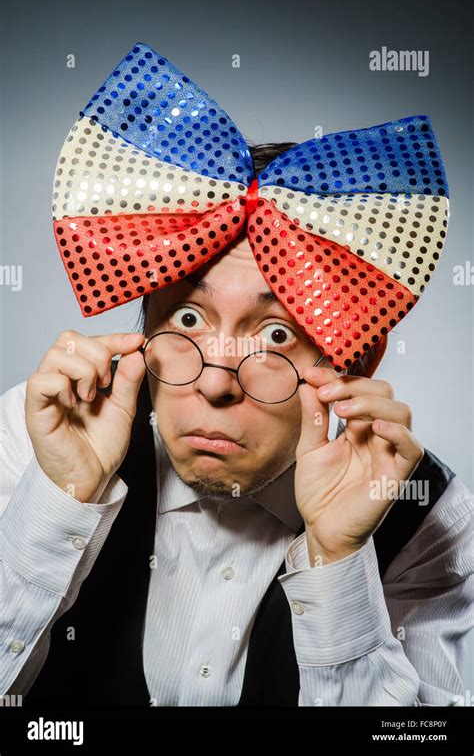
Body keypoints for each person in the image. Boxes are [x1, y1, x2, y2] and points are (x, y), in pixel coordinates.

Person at [0, 41, 472, 706]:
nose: (217, 382)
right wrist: (59, 500)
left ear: (350, 358)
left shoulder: (427, 515)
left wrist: (340, 562)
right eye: (187, 320)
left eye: (275, 333)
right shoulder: (39, 435)